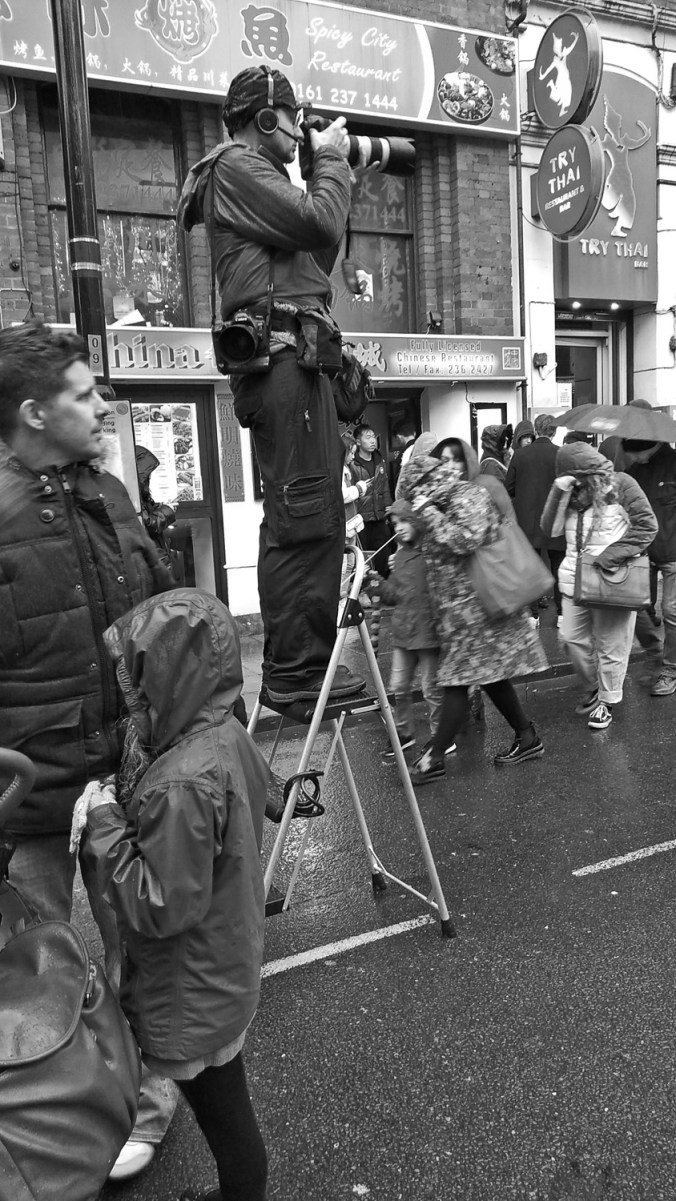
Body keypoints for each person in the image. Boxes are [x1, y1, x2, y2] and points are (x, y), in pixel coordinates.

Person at [0, 319, 178, 1180]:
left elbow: (151, 617)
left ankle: (148, 1101)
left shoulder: (108, 492)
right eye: (83, 393)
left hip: (122, 772)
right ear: (34, 413)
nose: (102, 404)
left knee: (136, 946)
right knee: (32, 967)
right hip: (31, 793)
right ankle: (52, 1115)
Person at [177, 65, 363, 707]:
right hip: (283, 361)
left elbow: (315, 264)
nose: (301, 133)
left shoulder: (255, 185)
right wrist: (332, 163)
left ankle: (302, 669)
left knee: (312, 511)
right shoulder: (236, 165)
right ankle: (296, 674)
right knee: (303, 514)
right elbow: (319, 226)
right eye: (296, 120)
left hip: (294, 359)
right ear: (265, 119)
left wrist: (332, 178)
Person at [80, 588, 269, 1201]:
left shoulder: (181, 782)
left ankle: (243, 1193)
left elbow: (160, 905)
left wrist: (106, 822)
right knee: (228, 1110)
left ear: (167, 675)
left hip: (190, 991)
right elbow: (256, 795)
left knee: (227, 1121)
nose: (131, 697)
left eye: (137, 681)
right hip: (220, 970)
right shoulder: (221, 733)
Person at [397, 441, 547, 784]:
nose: (415, 499)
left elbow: (466, 540)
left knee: (457, 682)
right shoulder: (443, 501)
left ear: (429, 482)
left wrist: (430, 512)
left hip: (479, 611)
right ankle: (527, 737)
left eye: (415, 491)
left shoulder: (467, 495)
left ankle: (434, 758)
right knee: (490, 678)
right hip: (463, 616)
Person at [540, 442, 657, 729]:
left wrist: (608, 556)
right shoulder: (570, 493)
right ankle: (594, 686)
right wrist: (559, 490)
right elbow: (549, 529)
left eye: (575, 477)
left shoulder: (621, 485)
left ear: (587, 472)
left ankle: (607, 701)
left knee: (611, 645)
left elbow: (646, 526)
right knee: (570, 639)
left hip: (613, 580)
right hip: (574, 582)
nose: (574, 483)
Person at [373, 498, 444, 761]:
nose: (399, 528)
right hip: (404, 634)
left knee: (431, 690)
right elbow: (394, 594)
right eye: (395, 523)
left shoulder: (432, 553)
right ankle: (404, 734)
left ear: (416, 521)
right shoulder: (400, 555)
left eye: (404, 521)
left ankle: (440, 737)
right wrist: (378, 585)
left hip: (428, 634)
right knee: (398, 687)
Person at [623, 437, 676, 695]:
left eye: (636, 453)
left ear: (650, 445)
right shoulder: (634, 471)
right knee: (635, 605)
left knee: (671, 610)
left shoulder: (674, 464)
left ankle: (670, 669)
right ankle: (654, 651)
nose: (633, 458)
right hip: (642, 552)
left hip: (673, 553)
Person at [505, 413, 566, 627]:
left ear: (536, 430)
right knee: (558, 567)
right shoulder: (561, 455)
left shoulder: (521, 455)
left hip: (528, 521)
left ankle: (532, 615)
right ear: (554, 431)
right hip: (555, 521)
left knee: (530, 568)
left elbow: (509, 487)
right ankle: (560, 615)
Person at [350, 423, 394, 578]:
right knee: (363, 558)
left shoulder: (379, 461)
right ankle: (365, 591)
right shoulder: (352, 464)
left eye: (373, 436)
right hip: (362, 520)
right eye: (367, 437)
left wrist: (388, 505)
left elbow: (385, 486)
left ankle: (382, 588)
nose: (372, 440)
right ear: (358, 442)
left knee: (384, 554)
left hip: (379, 517)